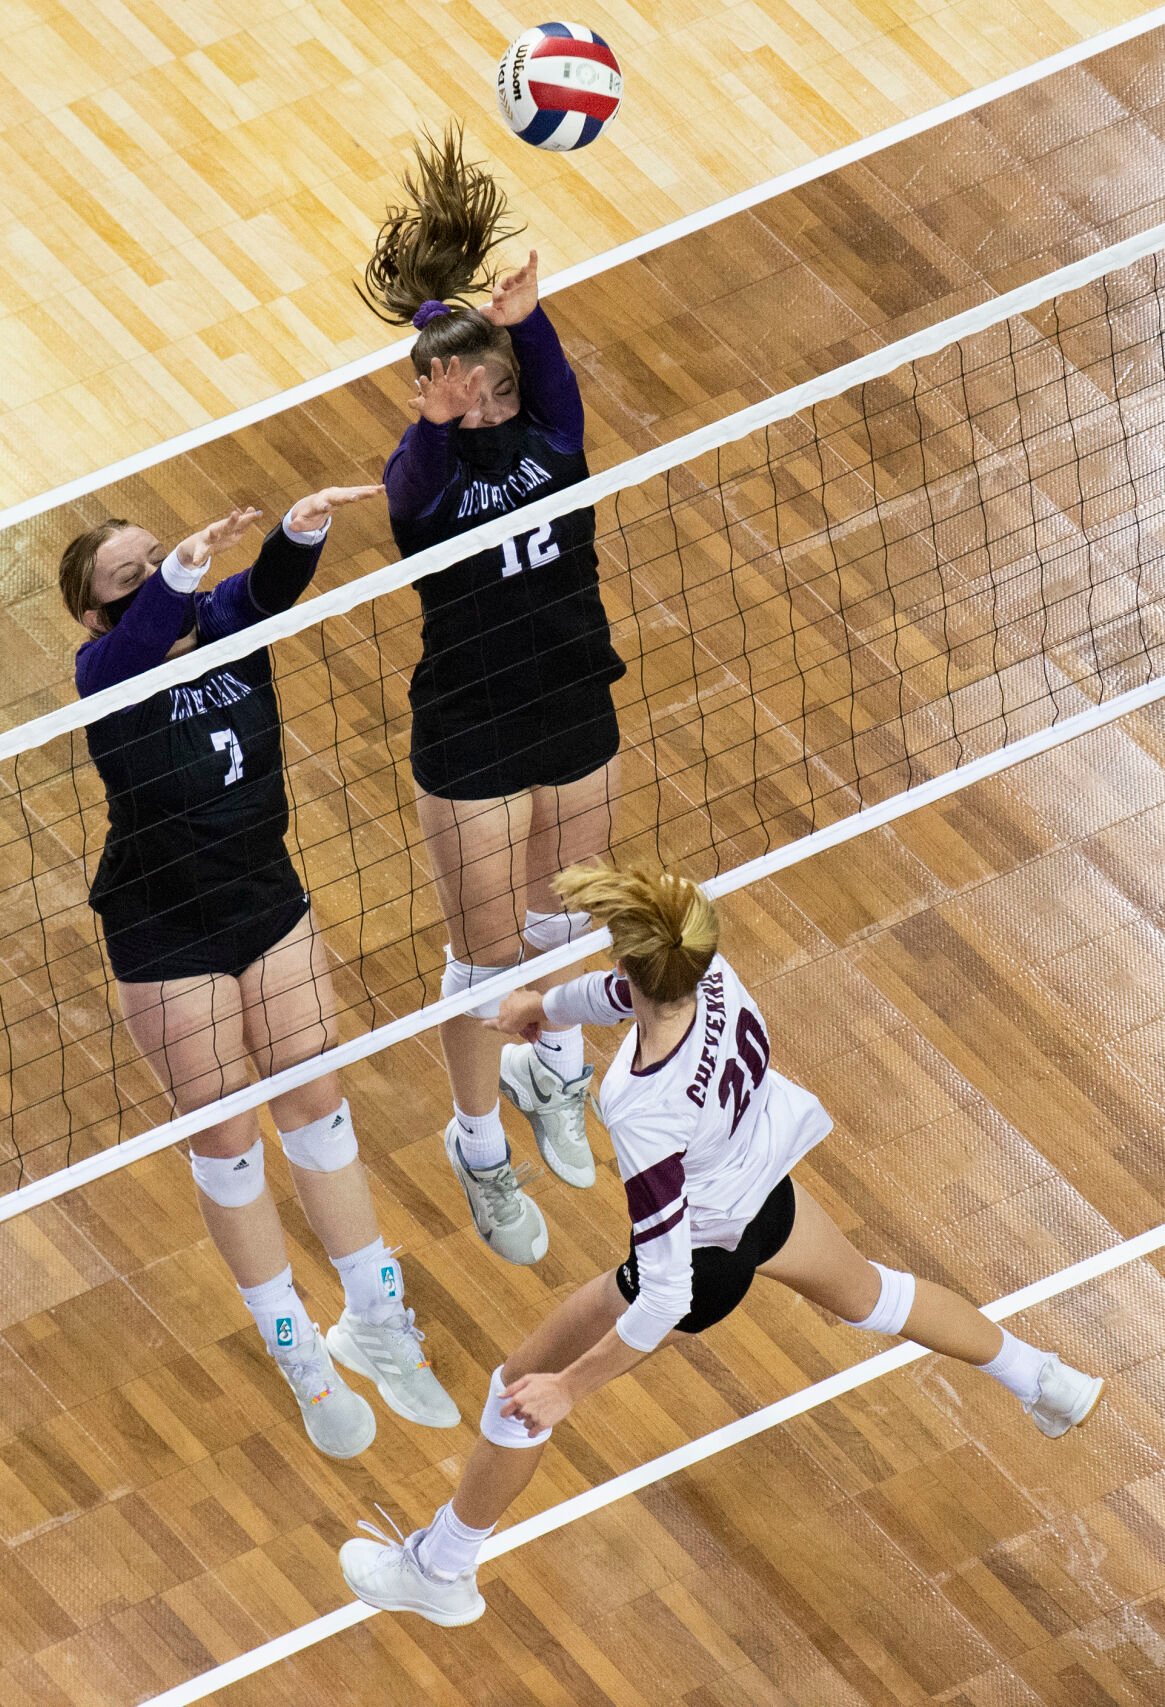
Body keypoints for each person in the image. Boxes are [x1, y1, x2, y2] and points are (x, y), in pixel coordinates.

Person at [338, 861, 1106, 1623]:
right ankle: (1042, 1378)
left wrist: (570, 1388)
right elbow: (628, 995)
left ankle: (440, 1569)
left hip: (700, 1260)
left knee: (518, 1389)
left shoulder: (639, 1106)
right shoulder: (710, 976)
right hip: (765, 1193)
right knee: (877, 1295)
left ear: (624, 960)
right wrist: (543, 1005)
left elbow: (669, 1289)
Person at [60, 489, 460, 1457]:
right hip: (165, 927)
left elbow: (272, 585)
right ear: (96, 613)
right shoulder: (105, 670)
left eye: (162, 555)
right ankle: (296, 1350)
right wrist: (179, 575)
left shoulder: (225, 624)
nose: (160, 574)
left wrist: (300, 529)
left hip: (262, 897)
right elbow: (142, 633)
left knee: (316, 1103)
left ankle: (372, 1316)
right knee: (228, 1136)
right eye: (133, 576)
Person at [359, 126, 626, 1266]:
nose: (475, 402)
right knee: (485, 954)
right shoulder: (425, 482)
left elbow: (550, 374)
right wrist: (431, 418)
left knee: (569, 917)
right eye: (453, 391)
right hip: (467, 722)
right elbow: (406, 483)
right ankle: (476, 1144)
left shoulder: (554, 433)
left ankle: (553, 1073)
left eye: (489, 386)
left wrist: (527, 317)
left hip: (572, 696)